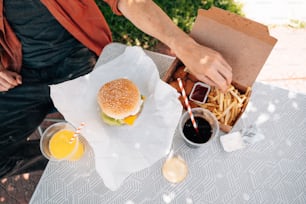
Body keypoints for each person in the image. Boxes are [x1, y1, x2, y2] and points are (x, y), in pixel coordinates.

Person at [0, 0, 232, 178]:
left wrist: (184, 45)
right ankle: (67, 156)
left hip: (78, 61)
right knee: (91, 150)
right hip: (19, 75)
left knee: (130, 134)